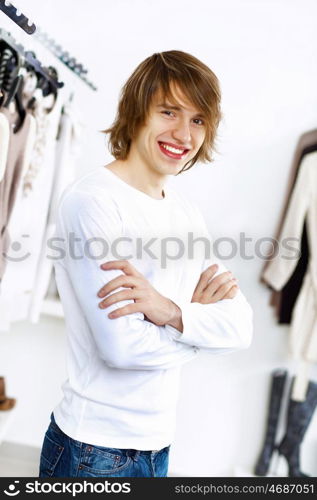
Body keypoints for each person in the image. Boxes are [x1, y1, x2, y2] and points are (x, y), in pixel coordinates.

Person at [39, 50, 253, 478]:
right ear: (137, 112)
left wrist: (170, 312)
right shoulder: (92, 202)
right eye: (169, 112)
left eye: (197, 120)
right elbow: (121, 348)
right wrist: (196, 329)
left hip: (157, 447)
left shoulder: (185, 211)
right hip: (92, 450)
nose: (183, 133)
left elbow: (241, 326)